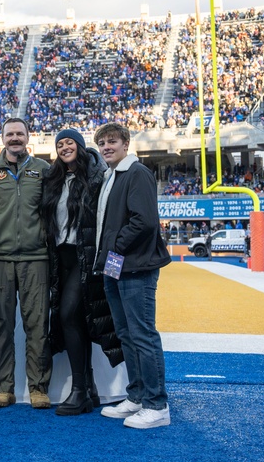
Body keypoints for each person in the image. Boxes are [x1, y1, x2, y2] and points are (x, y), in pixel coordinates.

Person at [93, 122, 171, 429]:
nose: (106, 147)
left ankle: (157, 404)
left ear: (126, 144)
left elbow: (144, 222)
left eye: (112, 141)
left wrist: (114, 248)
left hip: (134, 266)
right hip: (117, 265)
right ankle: (138, 395)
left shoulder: (137, 173)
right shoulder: (114, 175)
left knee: (142, 334)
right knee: (126, 334)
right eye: (102, 143)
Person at [39, 128, 122, 416]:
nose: (64, 147)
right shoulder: (54, 179)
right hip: (60, 258)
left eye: (69, 142)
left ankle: (78, 390)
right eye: (59, 144)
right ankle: (89, 388)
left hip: (82, 256)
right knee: (78, 319)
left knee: (67, 314)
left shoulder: (97, 176)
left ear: (80, 146)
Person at [0, 118, 52, 409]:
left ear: (27, 137)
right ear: (2, 139)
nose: (14, 138)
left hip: (36, 259)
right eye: (9, 134)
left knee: (37, 326)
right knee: (0, 326)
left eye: (19, 134)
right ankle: (3, 388)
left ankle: (38, 388)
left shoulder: (43, 170)